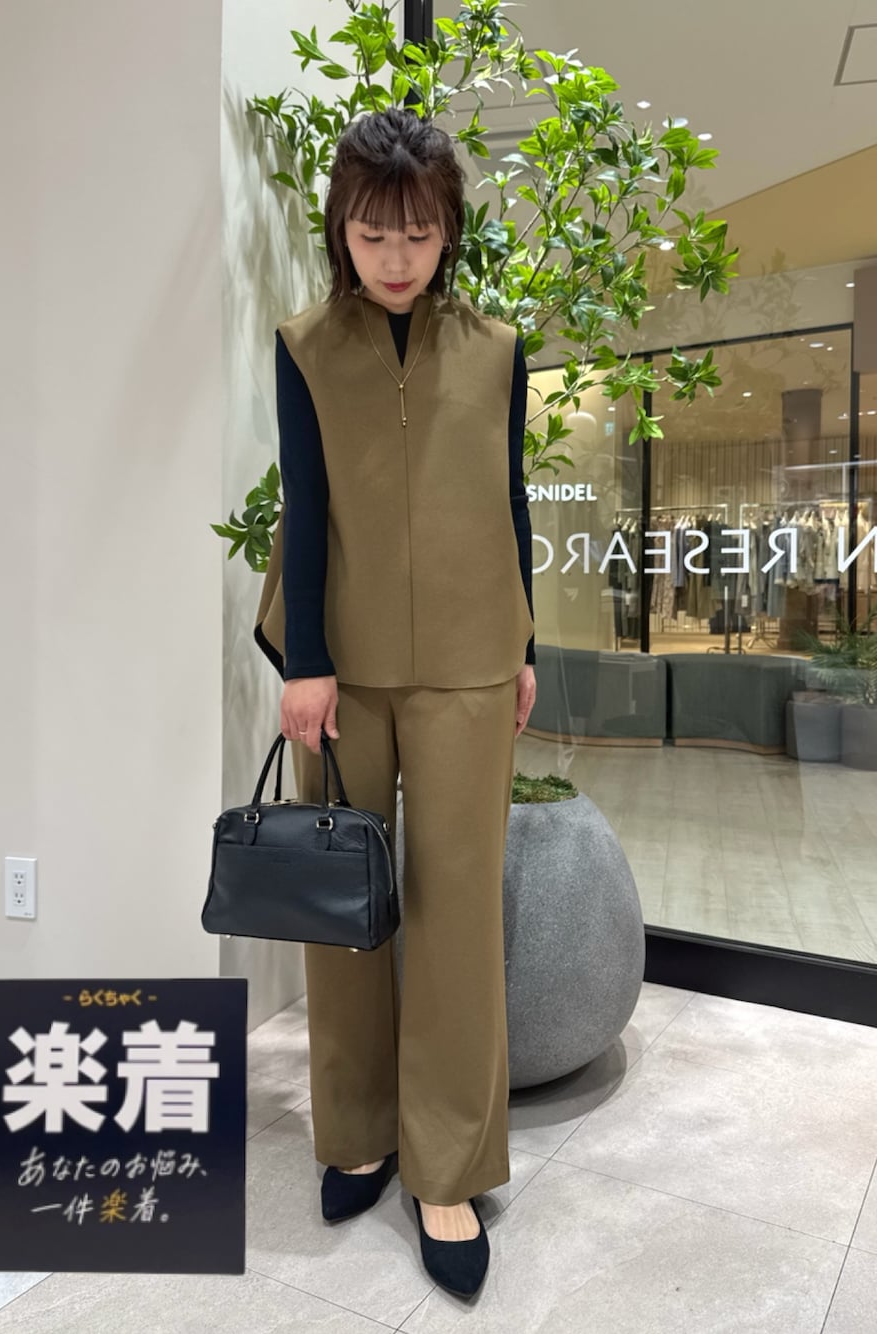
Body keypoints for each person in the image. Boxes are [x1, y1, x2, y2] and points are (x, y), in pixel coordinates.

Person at [254, 105, 537, 1298]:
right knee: (346, 911)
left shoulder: (498, 347)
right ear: (342, 230)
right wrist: (305, 662)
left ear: (447, 229)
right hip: (345, 670)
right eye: (373, 233)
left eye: (417, 233)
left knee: (458, 916)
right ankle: (359, 1127)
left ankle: (448, 1166)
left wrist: (526, 644)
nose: (395, 256)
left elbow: (509, 496)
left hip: (473, 661)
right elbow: (305, 506)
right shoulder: (307, 345)